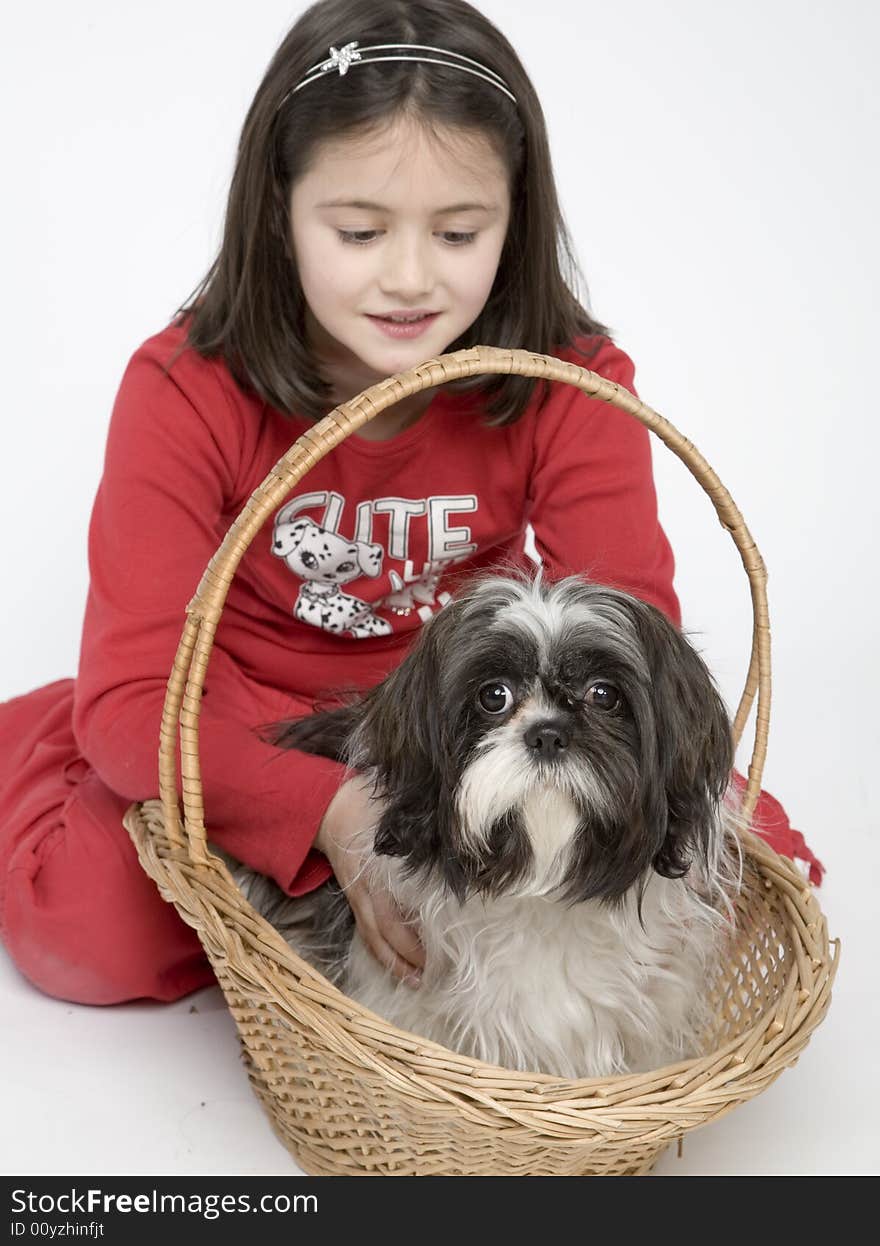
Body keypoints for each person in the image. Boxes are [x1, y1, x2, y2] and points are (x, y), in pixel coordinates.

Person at [0, 0, 822, 1008]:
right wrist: (328, 811)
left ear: (515, 219)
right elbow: (138, 706)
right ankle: (32, 770)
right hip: (250, 721)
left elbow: (627, 642)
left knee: (750, 854)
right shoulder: (185, 387)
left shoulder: (569, 379)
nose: (407, 277)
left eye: (459, 231)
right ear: (277, 210)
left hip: (462, 714)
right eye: (356, 230)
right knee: (89, 934)